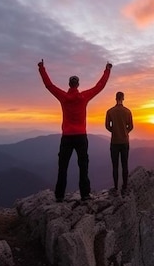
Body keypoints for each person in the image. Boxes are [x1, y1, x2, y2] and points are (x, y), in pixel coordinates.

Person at [38, 59, 112, 202]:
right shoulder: (84, 97)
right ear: (77, 85)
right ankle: (85, 194)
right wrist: (107, 70)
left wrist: (42, 68)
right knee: (83, 166)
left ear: (69, 85)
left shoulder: (63, 97)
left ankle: (59, 196)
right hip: (81, 137)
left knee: (63, 167)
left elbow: (49, 85)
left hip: (66, 137)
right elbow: (100, 86)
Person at [105, 91, 134, 194]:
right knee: (125, 164)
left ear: (115, 98)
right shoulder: (128, 112)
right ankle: (125, 187)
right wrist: (125, 132)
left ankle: (116, 187)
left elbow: (107, 126)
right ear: (123, 98)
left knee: (115, 165)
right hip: (125, 141)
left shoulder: (110, 111)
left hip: (114, 142)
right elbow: (131, 126)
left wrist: (114, 131)